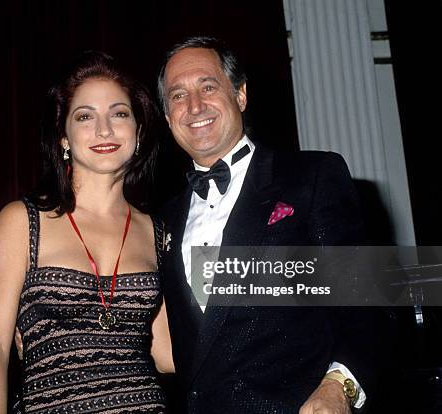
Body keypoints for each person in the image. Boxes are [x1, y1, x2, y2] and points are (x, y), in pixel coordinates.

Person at [156, 36, 391, 413]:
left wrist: (339, 387)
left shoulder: (311, 177)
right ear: (168, 117)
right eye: (178, 96)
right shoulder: (161, 221)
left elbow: (367, 305)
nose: (195, 105)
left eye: (208, 86)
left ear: (241, 95)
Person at [0, 51, 173, 414]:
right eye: (85, 116)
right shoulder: (23, 221)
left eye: (119, 113)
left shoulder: (160, 232)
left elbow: (167, 354)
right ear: (63, 137)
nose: (104, 130)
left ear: (138, 132)